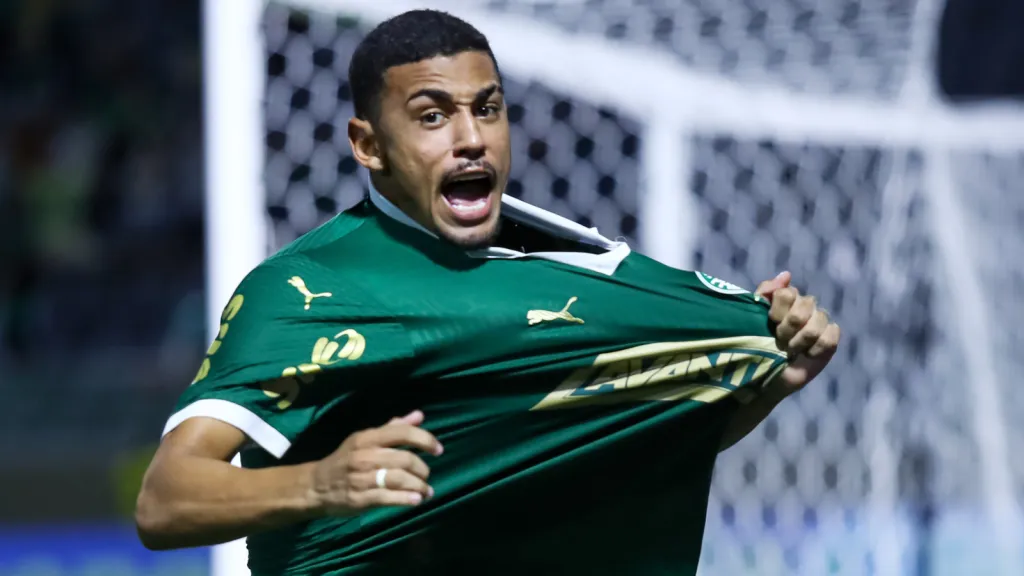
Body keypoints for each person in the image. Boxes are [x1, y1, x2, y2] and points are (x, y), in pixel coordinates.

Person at [135, 9, 839, 576]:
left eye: (489, 108)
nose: (472, 139)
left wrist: (771, 377)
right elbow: (165, 501)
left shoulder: (577, 264)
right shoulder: (307, 288)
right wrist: (318, 484)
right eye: (433, 115)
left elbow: (640, 439)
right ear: (368, 143)